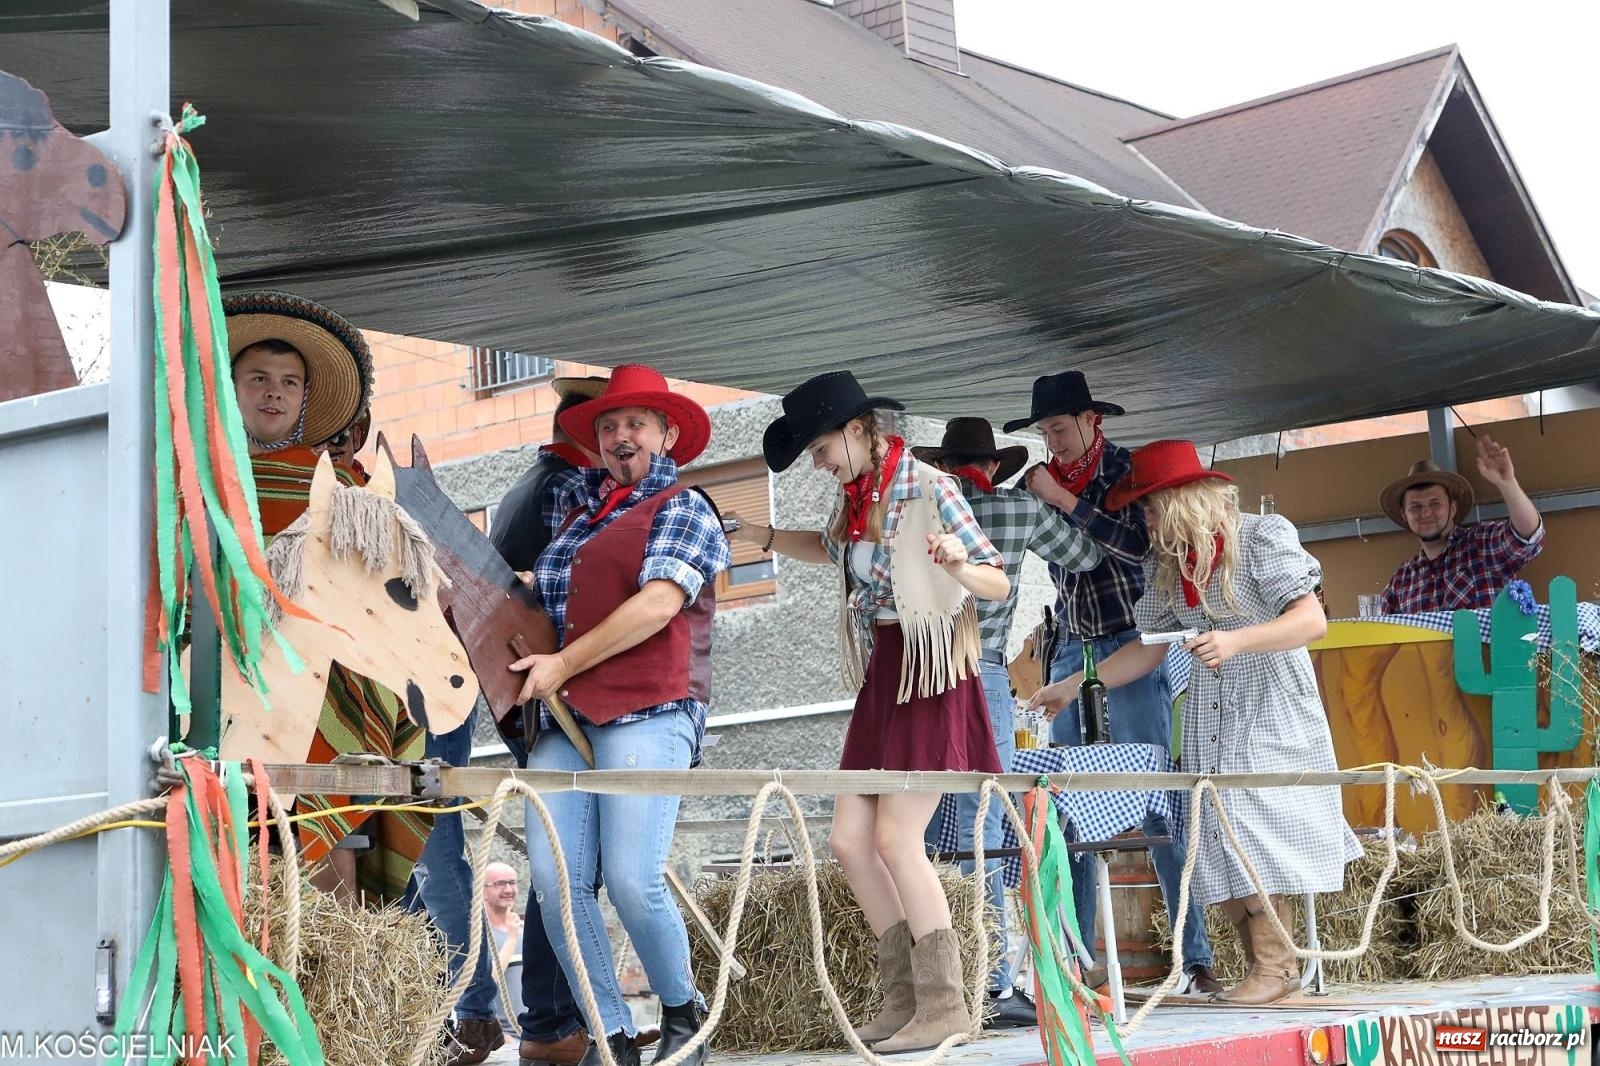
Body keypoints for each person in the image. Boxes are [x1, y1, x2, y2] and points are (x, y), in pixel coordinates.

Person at [729, 371, 1010, 1054]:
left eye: (821, 448)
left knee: (895, 840)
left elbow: (995, 582)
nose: (818, 463)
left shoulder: (929, 487)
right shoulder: (857, 499)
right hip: (886, 674)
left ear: (858, 430)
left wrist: (955, 563)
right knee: (849, 842)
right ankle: (902, 996)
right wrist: (758, 534)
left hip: (930, 669)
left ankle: (946, 1003)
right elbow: (831, 554)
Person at [1028, 440, 1361, 1005]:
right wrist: (1070, 687)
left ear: (1183, 499)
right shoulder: (1171, 564)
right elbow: (1148, 647)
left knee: (1252, 828)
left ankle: (1278, 970)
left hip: (1269, 705)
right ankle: (1267, 969)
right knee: (1212, 836)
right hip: (1211, 715)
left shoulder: (1262, 538)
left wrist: (1236, 640)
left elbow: (1311, 621)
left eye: (1150, 506)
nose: (1145, 518)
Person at [511, 365, 731, 1066]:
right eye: (607, 426)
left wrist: (563, 665)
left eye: (635, 422)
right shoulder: (579, 510)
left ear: (667, 433)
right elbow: (553, 596)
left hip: (649, 707)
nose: (618, 435)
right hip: (564, 715)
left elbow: (659, 604)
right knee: (554, 886)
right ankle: (611, 1033)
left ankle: (681, 1012)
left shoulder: (685, 505)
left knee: (635, 879)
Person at [1007, 370, 1217, 994]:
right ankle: (1073, 964)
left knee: (1159, 797)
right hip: (1072, 641)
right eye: (1044, 431)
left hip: (1134, 641)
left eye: (1061, 428)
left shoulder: (1129, 471)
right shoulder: (1038, 482)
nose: (1053, 441)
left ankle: (1194, 956)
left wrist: (1065, 501)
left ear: (1093, 421)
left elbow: (1136, 547)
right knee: (1066, 804)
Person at [226, 290, 432, 903]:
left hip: (328, 695)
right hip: (226, 689)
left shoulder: (345, 489)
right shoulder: (196, 481)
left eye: (289, 382)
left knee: (330, 850)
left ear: (304, 399)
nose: (273, 393)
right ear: (230, 389)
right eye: (258, 378)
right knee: (229, 845)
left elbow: (385, 596)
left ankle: (327, 981)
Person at [910, 417, 1103, 1028]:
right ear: (994, 466)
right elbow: (1085, 554)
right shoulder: (1018, 510)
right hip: (981, 673)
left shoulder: (919, 509)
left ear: (942, 464)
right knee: (985, 820)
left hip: (913, 674)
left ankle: (935, 976)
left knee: (914, 822)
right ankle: (990, 981)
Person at [1378, 437, 1543, 614]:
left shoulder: (1481, 545)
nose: (1425, 513)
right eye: (1415, 507)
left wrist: (1508, 483)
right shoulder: (1402, 579)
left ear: (1453, 508)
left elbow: (1527, 536)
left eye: (1435, 504)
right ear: (1404, 515)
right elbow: (1382, 633)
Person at [484, 862, 528, 1037]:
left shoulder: (526, 932)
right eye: (500, 884)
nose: (508, 889)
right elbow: (486, 982)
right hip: (503, 1039)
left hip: (533, 1038)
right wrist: (511, 938)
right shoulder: (479, 935)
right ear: (482, 890)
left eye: (512, 883)